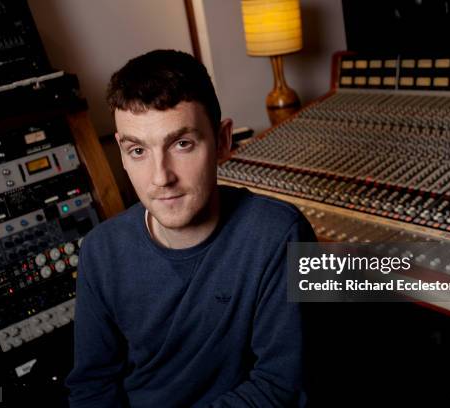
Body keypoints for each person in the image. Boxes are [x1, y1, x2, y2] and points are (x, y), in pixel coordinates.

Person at [65, 49, 316, 408]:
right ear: (121, 151)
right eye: (138, 150)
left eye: (182, 144)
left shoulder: (280, 235)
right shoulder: (100, 249)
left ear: (223, 141)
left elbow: (281, 386)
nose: (161, 177)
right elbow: (92, 386)